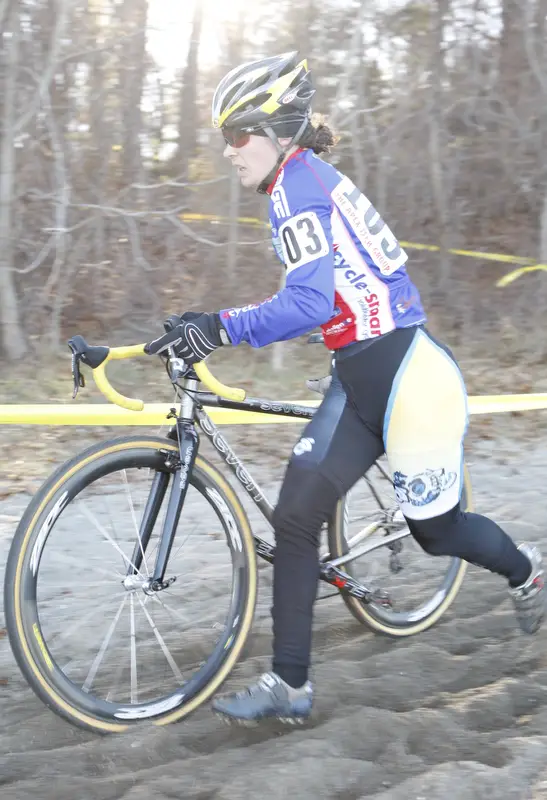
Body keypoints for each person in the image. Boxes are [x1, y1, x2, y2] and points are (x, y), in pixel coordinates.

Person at [144, 52, 546, 724]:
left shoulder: (297, 186)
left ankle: (524, 568)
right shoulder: (295, 184)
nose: (228, 150)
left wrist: (216, 327)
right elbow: (330, 301)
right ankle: (290, 685)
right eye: (223, 137)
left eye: (238, 134)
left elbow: (306, 301)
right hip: (359, 377)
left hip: (408, 376)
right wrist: (214, 326)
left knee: (435, 532)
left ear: (277, 131)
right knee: (296, 518)